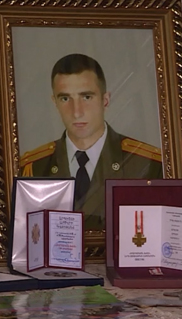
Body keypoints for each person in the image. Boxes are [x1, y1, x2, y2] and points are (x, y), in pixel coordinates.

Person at [19, 53, 163, 230]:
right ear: (54, 102)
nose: (77, 112)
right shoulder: (34, 168)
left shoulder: (146, 164)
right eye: (65, 99)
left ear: (105, 100)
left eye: (86, 97)